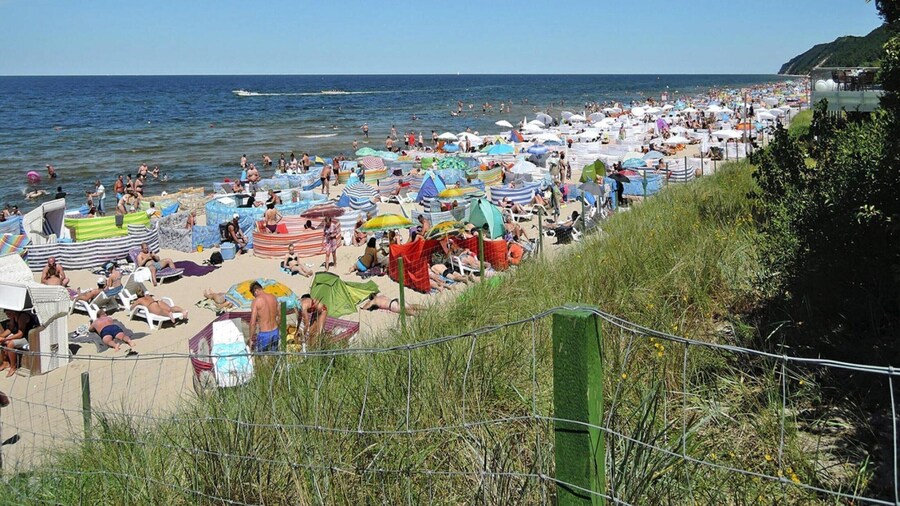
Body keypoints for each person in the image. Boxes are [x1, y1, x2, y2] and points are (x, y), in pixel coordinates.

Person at [0, 309, 36, 376]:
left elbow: (20, 334)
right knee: (3, 342)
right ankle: (5, 363)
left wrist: (5, 339)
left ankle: (13, 366)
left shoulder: (22, 317)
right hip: (20, 335)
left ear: (13, 312)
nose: (7, 316)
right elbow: (10, 329)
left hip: (29, 336)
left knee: (10, 344)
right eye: (6, 314)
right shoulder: (13, 316)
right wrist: (1, 336)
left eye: (9, 314)